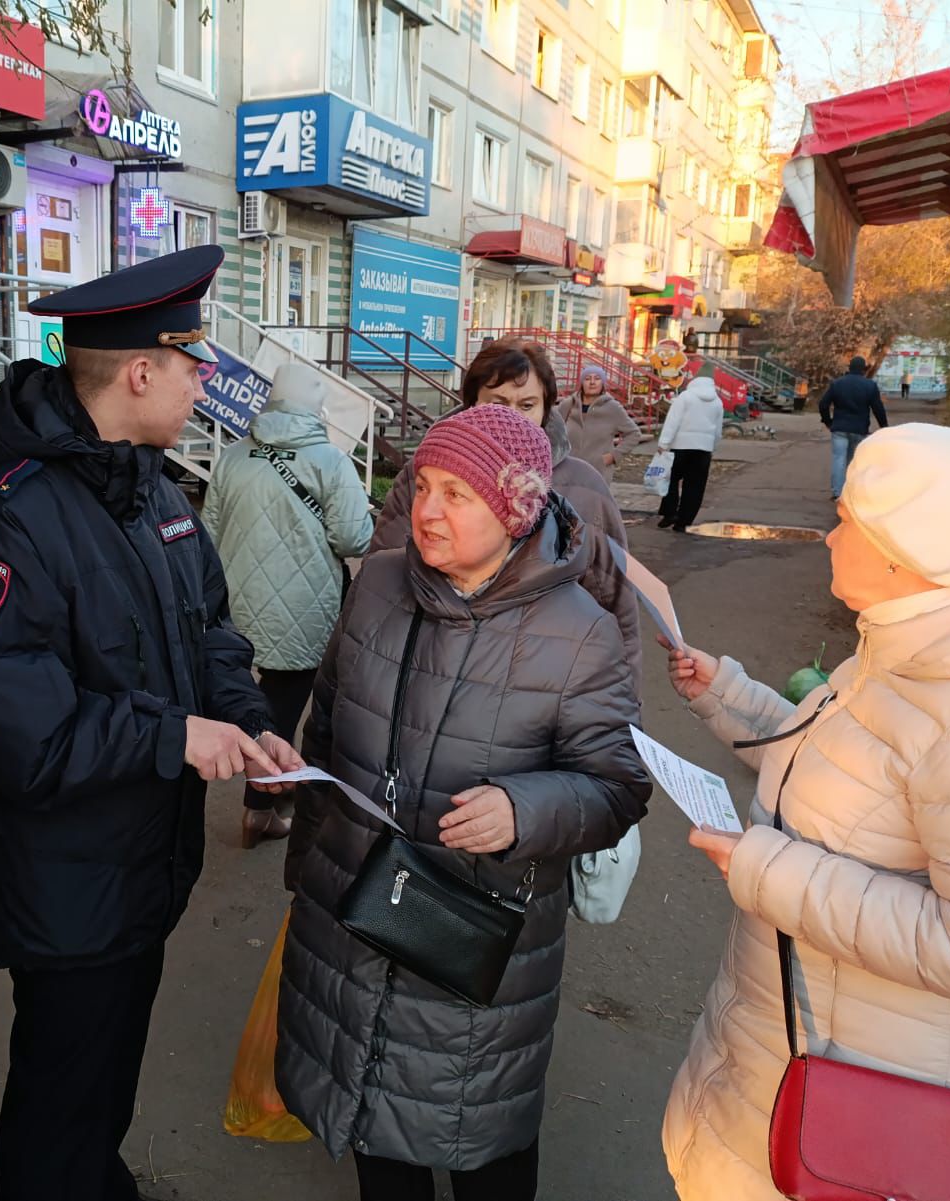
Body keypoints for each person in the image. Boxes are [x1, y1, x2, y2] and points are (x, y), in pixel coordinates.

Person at [0, 245, 303, 1201]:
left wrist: (249, 724)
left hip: (142, 868)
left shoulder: (155, 492)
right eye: (193, 356)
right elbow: (18, 732)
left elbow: (209, 630)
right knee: (59, 1100)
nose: (205, 376)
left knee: (101, 1088)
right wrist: (172, 736)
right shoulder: (2, 524)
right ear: (141, 372)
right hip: (70, 886)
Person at [660, 424, 950, 1201]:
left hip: (874, 1125)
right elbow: (842, 767)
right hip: (796, 1055)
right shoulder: (907, 647)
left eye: (845, 519)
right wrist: (724, 692)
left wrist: (765, 867)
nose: (829, 533)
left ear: (899, 554)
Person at [278, 404, 651, 1201]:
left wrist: (526, 809)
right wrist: (306, 865)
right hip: (351, 910)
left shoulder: (577, 631)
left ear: (514, 510)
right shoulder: (380, 582)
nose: (427, 510)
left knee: (481, 1142)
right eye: (423, 485)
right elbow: (330, 721)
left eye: (458, 493)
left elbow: (618, 784)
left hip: (474, 947)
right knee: (375, 1134)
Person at [371, 339, 642, 672]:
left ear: (546, 408)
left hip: (543, 677)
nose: (512, 418)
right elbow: (382, 579)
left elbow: (615, 605)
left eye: (527, 405)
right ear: (471, 404)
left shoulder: (584, 488)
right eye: (497, 403)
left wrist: (624, 693)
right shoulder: (423, 476)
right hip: (427, 663)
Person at [202, 362, 374, 849]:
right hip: (303, 608)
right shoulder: (331, 461)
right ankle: (261, 807)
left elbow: (207, 536)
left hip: (233, 603)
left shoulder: (233, 456)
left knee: (242, 691)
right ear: (315, 407)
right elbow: (353, 537)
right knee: (284, 702)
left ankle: (275, 789)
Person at [656, 373, 724, 534]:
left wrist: (664, 443)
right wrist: (712, 447)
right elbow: (718, 430)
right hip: (703, 450)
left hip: (680, 446)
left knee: (670, 479)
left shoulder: (685, 397)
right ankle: (683, 522)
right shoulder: (717, 402)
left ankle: (670, 512)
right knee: (695, 486)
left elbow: (673, 421)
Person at [818, 355, 888, 499]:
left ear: (849, 368)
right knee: (852, 461)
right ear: (863, 369)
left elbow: (823, 404)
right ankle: (850, 493)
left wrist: (828, 422)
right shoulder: (870, 385)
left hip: (839, 428)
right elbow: (877, 408)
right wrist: (884, 426)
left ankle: (837, 493)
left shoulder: (837, 384)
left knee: (838, 459)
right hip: (859, 429)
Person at [564, 362, 646, 485]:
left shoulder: (612, 408)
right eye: (587, 379)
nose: (592, 382)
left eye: (597, 379)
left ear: (603, 383)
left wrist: (614, 455)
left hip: (597, 472)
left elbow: (634, 434)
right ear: (581, 383)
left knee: (592, 504)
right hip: (569, 470)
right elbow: (552, 427)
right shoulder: (569, 404)